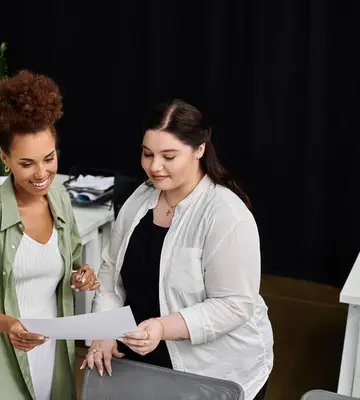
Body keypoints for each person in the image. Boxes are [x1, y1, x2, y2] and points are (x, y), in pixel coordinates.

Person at [83, 99, 274, 400]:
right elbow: (110, 278)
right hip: (146, 361)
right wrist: (104, 330)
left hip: (214, 369)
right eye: (147, 154)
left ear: (199, 150)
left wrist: (162, 328)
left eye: (168, 156)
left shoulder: (226, 215)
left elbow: (234, 304)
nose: (154, 167)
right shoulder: (139, 201)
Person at [0, 70, 99, 400]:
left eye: (49, 158)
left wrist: (81, 276)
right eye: (27, 163)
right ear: (5, 159)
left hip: (52, 351)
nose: (42, 173)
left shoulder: (60, 200)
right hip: (0, 358)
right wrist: (9, 325)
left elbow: (67, 266)